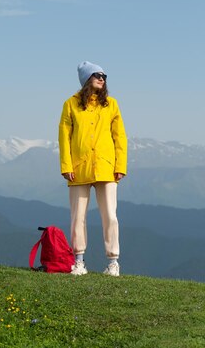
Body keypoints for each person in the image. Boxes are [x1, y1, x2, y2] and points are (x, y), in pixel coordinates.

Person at [58, 61, 128, 276]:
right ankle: (79, 261)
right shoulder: (71, 104)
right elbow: (64, 138)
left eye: (104, 75)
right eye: (97, 75)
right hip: (78, 168)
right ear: (86, 79)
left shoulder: (111, 105)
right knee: (77, 216)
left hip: (107, 167)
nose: (102, 78)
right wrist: (66, 166)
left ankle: (113, 262)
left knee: (110, 215)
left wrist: (120, 166)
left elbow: (120, 137)